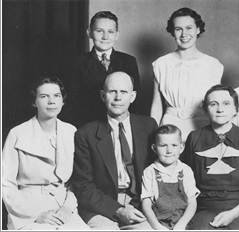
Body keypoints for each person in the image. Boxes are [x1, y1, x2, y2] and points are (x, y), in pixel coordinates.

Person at [71, 71, 157, 230]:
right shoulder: (86, 134)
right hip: (101, 207)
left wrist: (136, 206)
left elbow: (156, 174)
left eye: (124, 92)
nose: (118, 98)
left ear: (133, 96)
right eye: (112, 92)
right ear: (103, 96)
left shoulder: (148, 126)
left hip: (139, 204)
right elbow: (83, 186)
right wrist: (118, 210)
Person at [2, 76, 90, 230]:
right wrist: (36, 214)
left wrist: (67, 207)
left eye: (57, 96)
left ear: (63, 100)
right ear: (34, 101)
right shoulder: (17, 134)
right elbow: (5, 184)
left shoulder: (71, 132)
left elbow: (77, 180)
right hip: (27, 210)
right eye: (44, 96)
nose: (51, 101)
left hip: (63, 208)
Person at [182, 84, 239, 230]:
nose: (220, 109)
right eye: (213, 104)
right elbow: (185, 181)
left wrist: (233, 214)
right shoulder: (194, 138)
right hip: (203, 208)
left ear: (236, 109)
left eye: (226, 104)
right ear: (206, 109)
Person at [150, 7, 224, 142]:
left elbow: (216, 104)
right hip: (170, 130)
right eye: (178, 29)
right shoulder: (161, 64)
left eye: (189, 28)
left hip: (204, 127)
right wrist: (154, 135)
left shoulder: (213, 65)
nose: (184, 34)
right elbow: (156, 106)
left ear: (198, 30)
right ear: (173, 32)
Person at [65, 11, 140, 127]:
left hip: (121, 124)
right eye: (99, 31)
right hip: (88, 124)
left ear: (117, 35)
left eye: (110, 32)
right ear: (89, 33)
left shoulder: (128, 61)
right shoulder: (77, 63)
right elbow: (71, 102)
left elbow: (135, 100)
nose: (105, 37)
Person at [141, 124, 200, 230]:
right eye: (163, 145)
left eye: (174, 145)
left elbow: (192, 203)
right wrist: (157, 227)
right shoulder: (149, 172)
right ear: (154, 148)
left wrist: (181, 225)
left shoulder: (185, 170)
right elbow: (146, 204)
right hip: (157, 223)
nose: (169, 150)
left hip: (183, 222)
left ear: (181, 147)